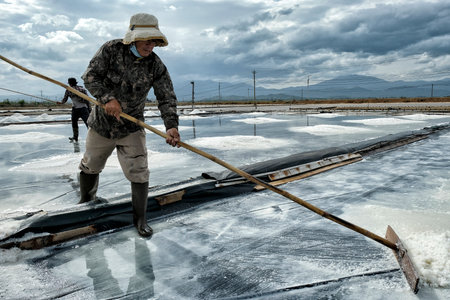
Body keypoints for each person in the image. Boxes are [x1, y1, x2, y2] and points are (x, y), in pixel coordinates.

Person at [79, 13, 180, 238]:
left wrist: (171, 126)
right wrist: (107, 98)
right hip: (102, 125)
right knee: (91, 165)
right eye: (146, 40)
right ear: (133, 38)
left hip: (131, 127)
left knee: (139, 172)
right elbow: (90, 76)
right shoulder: (111, 50)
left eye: (153, 41)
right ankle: (86, 203)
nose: (150, 45)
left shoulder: (156, 65)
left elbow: (166, 96)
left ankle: (140, 219)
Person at [57, 77, 91, 142]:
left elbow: (64, 99)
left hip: (76, 109)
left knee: (74, 123)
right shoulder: (82, 89)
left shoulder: (68, 90)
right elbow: (88, 100)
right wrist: (89, 109)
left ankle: (75, 137)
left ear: (70, 83)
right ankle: (92, 137)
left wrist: (61, 103)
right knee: (88, 123)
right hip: (83, 108)